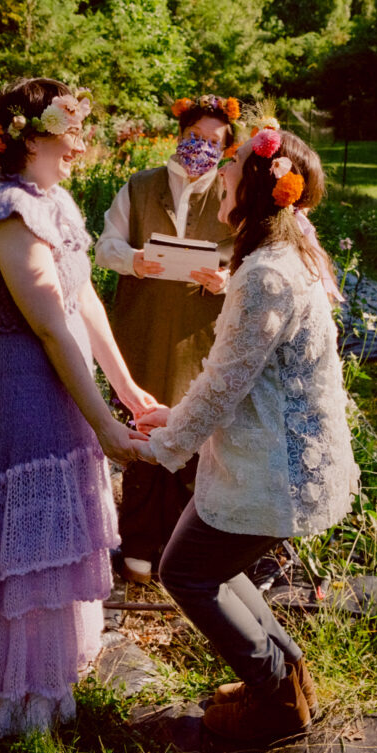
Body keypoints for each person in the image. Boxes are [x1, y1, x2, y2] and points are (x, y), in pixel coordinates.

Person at [0, 77, 154, 739]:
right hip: (15, 390)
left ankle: (46, 675)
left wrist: (125, 390)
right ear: (35, 134)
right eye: (73, 128)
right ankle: (1, 700)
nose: (82, 143)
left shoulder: (55, 201)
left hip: (60, 381)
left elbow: (83, 301)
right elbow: (48, 325)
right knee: (18, 550)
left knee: (49, 544)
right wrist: (104, 425)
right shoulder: (10, 213)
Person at [137, 127, 359, 748]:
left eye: (231, 168)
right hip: (278, 460)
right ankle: (288, 679)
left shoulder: (266, 273)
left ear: (254, 185)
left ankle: (277, 702)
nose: (222, 176)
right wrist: (174, 419)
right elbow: (233, 376)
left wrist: (162, 444)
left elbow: (223, 385)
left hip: (278, 470)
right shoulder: (287, 253)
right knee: (209, 565)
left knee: (185, 572)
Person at [94, 95, 239, 584]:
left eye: (213, 142)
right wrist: (133, 259)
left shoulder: (230, 192)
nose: (202, 148)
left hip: (202, 330)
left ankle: (181, 546)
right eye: (194, 137)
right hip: (148, 324)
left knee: (194, 428)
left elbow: (249, 257)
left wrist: (226, 276)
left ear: (227, 148)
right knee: (145, 424)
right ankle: (137, 544)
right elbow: (105, 245)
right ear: (179, 136)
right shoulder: (141, 186)